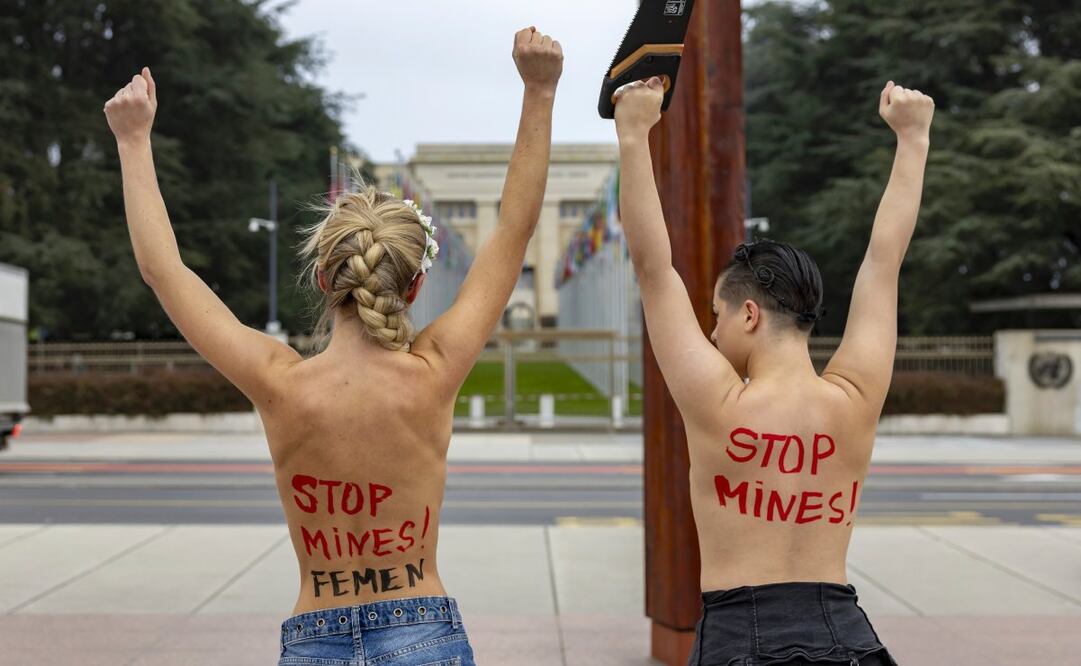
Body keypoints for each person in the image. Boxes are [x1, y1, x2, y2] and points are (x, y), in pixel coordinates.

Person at [104, 26, 563, 666]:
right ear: (417, 282)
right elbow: (513, 234)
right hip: (421, 631)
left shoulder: (280, 382)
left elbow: (164, 271)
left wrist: (132, 140)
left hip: (316, 635)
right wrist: (539, 92)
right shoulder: (432, 374)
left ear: (323, 279)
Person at [612, 76, 933, 665]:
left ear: (750, 314)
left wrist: (633, 134)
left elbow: (653, 268)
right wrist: (913, 138)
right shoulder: (853, 398)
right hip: (847, 635)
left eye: (717, 314)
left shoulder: (720, 403)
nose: (711, 332)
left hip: (741, 634)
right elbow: (884, 262)